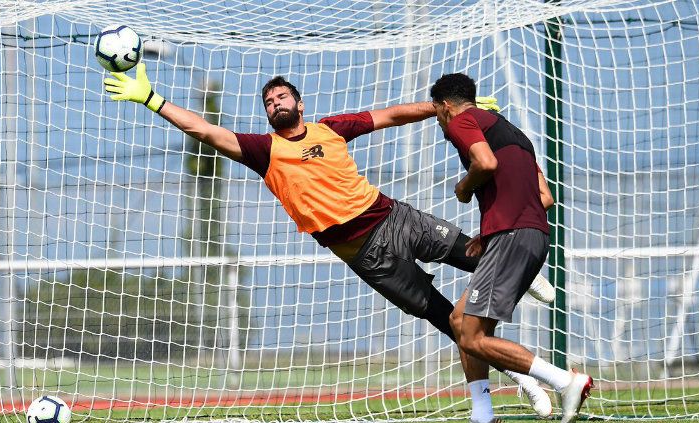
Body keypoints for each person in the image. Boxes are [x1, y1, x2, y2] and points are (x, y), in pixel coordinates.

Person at [103, 65, 555, 421]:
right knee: (450, 321)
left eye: (281, 95)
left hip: (395, 217)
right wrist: (151, 98)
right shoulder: (264, 150)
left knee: (469, 249)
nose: (275, 102)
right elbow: (205, 131)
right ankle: (512, 387)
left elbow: (392, 116)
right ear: (267, 114)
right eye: (268, 101)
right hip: (367, 255)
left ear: (299, 102)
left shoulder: (331, 128)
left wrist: (452, 109)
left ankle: (521, 274)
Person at [429, 72, 593, 423]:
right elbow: (545, 198)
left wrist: (464, 187)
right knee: (461, 322)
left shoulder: (462, 120)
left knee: (471, 338)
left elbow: (485, 164)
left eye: (437, 114)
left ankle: (564, 381)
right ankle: (483, 414)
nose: (441, 123)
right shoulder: (516, 135)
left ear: (444, 107)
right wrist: (490, 231)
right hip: (533, 236)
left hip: (512, 235)